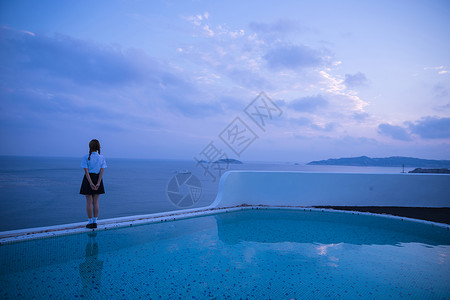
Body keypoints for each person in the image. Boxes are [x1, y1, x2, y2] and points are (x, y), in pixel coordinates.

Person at [80, 139, 107, 229]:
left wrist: (91, 183)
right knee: (96, 201)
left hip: (88, 179)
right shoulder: (102, 157)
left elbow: (86, 172)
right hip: (98, 178)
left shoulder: (86, 157)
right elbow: (101, 172)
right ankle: (95, 222)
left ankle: (90, 222)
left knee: (89, 202)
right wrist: (98, 183)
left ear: (90, 147)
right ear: (98, 147)